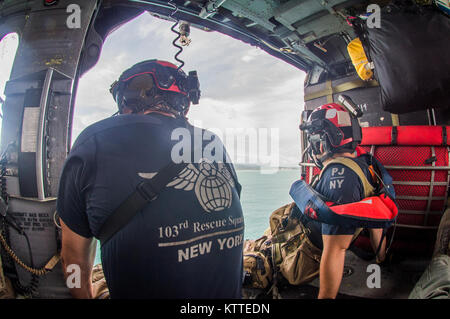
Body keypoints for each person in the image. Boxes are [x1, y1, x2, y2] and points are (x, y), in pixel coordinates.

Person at [56, 59, 244, 299]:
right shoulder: (212, 142)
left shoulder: (93, 141)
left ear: (126, 100)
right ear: (184, 103)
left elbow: (72, 260)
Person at [293, 103, 389, 299]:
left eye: (314, 138)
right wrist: (381, 258)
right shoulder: (365, 164)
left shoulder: (339, 178)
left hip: (307, 248)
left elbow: (336, 249)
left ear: (326, 140)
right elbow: (374, 217)